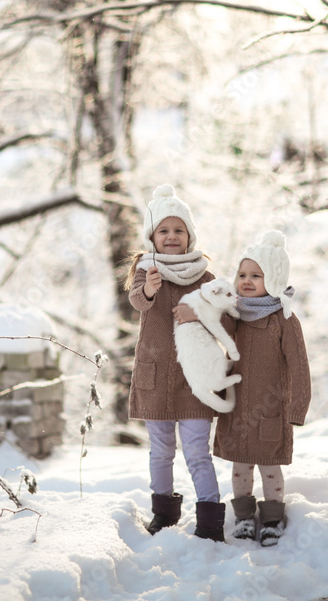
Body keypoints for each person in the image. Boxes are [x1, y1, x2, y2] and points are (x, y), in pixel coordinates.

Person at [125, 184, 228, 542]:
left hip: (194, 379)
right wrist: (150, 290)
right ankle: (163, 513)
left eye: (178, 230)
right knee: (162, 450)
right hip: (155, 377)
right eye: (163, 231)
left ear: (189, 235)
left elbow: (225, 314)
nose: (171, 237)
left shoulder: (203, 276)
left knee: (198, 451)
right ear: (152, 236)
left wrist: (197, 309)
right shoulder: (146, 269)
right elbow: (137, 301)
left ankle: (211, 521)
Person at [212, 230, 311, 547]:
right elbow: (214, 341)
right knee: (240, 467)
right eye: (242, 274)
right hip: (238, 407)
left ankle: (271, 519)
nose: (247, 280)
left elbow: (299, 366)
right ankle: (243, 518)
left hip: (271, 410)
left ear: (275, 279)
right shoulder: (235, 314)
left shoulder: (284, 319)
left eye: (257, 275)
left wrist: (297, 408)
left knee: (270, 468)